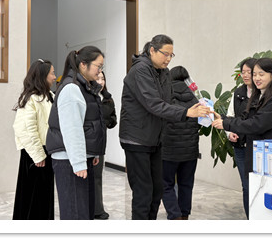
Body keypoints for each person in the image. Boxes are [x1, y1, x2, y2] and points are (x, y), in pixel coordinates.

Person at [119, 35, 209, 220]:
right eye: (165, 54)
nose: (168, 59)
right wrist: (186, 112)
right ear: (152, 50)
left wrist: (193, 110)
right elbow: (153, 104)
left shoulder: (164, 72)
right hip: (136, 138)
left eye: (171, 55)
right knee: (143, 192)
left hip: (156, 138)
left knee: (157, 191)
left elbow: (168, 102)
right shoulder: (140, 70)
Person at [212, 58, 272, 195]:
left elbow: (256, 124)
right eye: (254, 74)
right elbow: (246, 119)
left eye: (261, 74)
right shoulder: (260, 95)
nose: (256, 78)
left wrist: (226, 123)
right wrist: (223, 118)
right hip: (260, 155)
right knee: (252, 192)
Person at [46, 46, 107, 220]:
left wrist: (92, 153)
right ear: (83, 65)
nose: (100, 71)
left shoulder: (85, 86)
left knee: (84, 212)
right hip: (69, 160)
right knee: (76, 214)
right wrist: (79, 162)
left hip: (78, 157)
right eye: (98, 66)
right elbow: (72, 129)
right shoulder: (72, 88)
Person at [12, 59, 56, 219]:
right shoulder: (31, 98)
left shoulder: (50, 96)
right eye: (52, 73)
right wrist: (38, 155)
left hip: (46, 151)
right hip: (35, 154)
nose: (54, 77)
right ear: (43, 76)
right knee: (32, 198)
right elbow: (24, 129)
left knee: (44, 197)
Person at [160, 66, 201, 220]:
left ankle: (174, 215)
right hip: (190, 151)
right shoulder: (195, 98)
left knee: (166, 184)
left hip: (169, 150)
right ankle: (184, 215)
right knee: (186, 184)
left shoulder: (165, 96)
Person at [226, 59, 256, 217]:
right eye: (243, 72)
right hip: (241, 147)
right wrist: (229, 133)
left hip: (257, 147)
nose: (245, 75)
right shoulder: (238, 93)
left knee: (259, 186)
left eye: (248, 72)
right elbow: (230, 116)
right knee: (246, 185)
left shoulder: (264, 93)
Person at [92, 71, 117, 220]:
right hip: (88, 141)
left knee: (97, 176)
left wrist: (107, 122)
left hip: (100, 142)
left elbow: (113, 119)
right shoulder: (88, 96)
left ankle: (97, 209)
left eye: (103, 79)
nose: (100, 82)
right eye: (98, 78)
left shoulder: (107, 98)